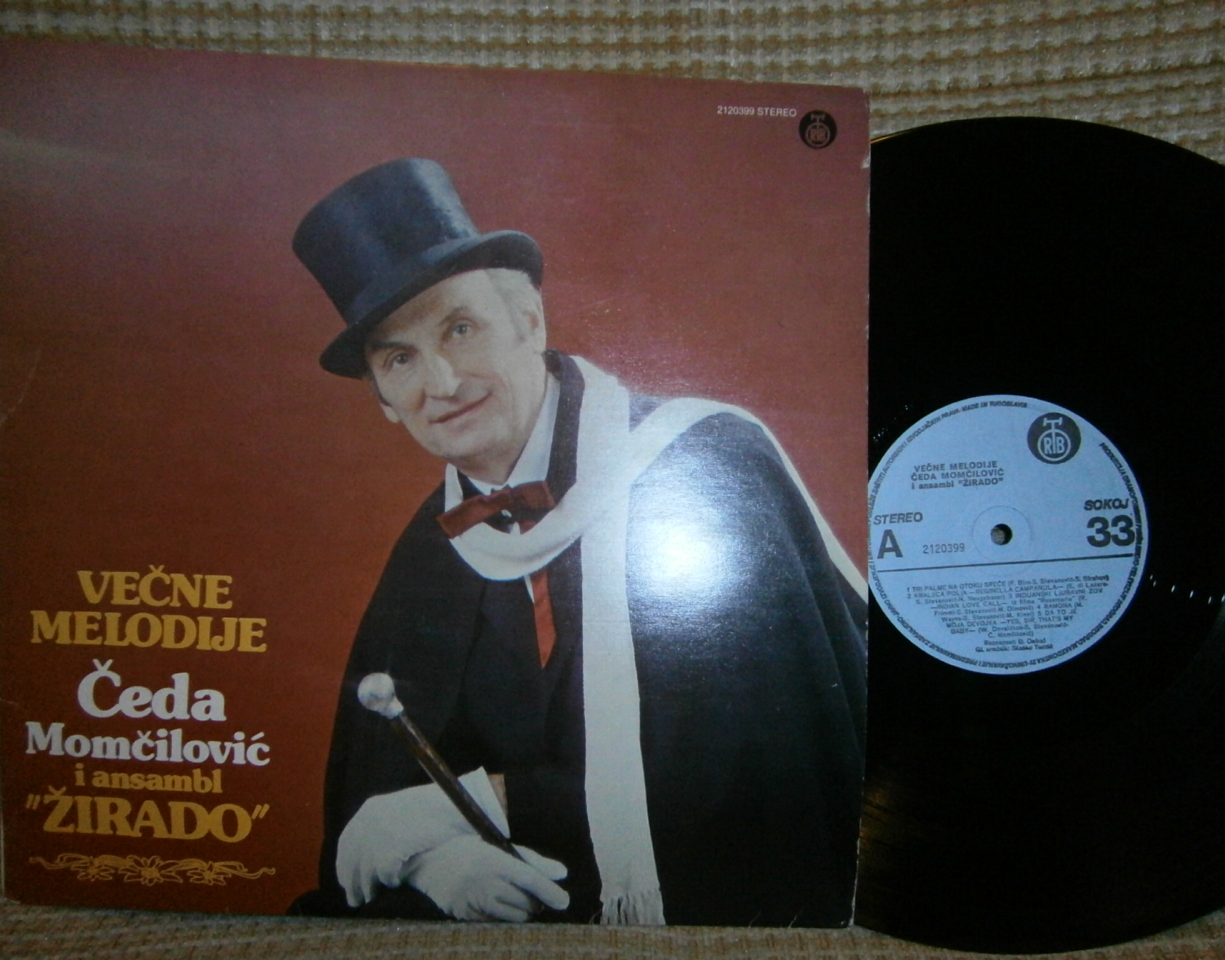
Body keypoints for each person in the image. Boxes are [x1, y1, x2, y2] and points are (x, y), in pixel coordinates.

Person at [288, 158, 867, 926]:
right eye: (400, 359)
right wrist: (438, 863)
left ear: (530, 320)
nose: (443, 381)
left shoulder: (706, 463)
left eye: (460, 328)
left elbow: (752, 766)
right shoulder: (427, 556)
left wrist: (478, 807)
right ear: (384, 401)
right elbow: (373, 804)